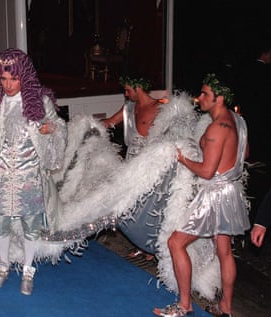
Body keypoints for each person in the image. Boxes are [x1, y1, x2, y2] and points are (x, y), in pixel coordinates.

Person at [0, 48, 67, 295]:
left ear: (24, 76)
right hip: (1, 177)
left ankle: (27, 269)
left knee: (31, 226)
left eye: (14, 78)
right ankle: (3, 266)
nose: (9, 84)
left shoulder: (40, 101)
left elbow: (59, 127)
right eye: (3, 79)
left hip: (29, 177)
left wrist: (51, 130)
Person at [154, 73, 250, 317]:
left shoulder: (217, 127)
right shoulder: (238, 120)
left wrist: (183, 158)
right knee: (224, 250)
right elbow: (245, 153)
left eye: (205, 93)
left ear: (219, 98)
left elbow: (207, 172)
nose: (199, 98)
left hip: (215, 194)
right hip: (230, 191)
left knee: (175, 242)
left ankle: (184, 305)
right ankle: (226, 306)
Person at [101, 75, 164, 261]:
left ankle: (151, 248)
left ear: (138, 87)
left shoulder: (159, 108)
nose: (126, 94)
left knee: (149, 208)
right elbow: (110, 121)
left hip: (150, 164)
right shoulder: (129, 107)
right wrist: (87, 125)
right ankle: (140, 244)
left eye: (128, 90)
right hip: (131, 163)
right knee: (130, 207)